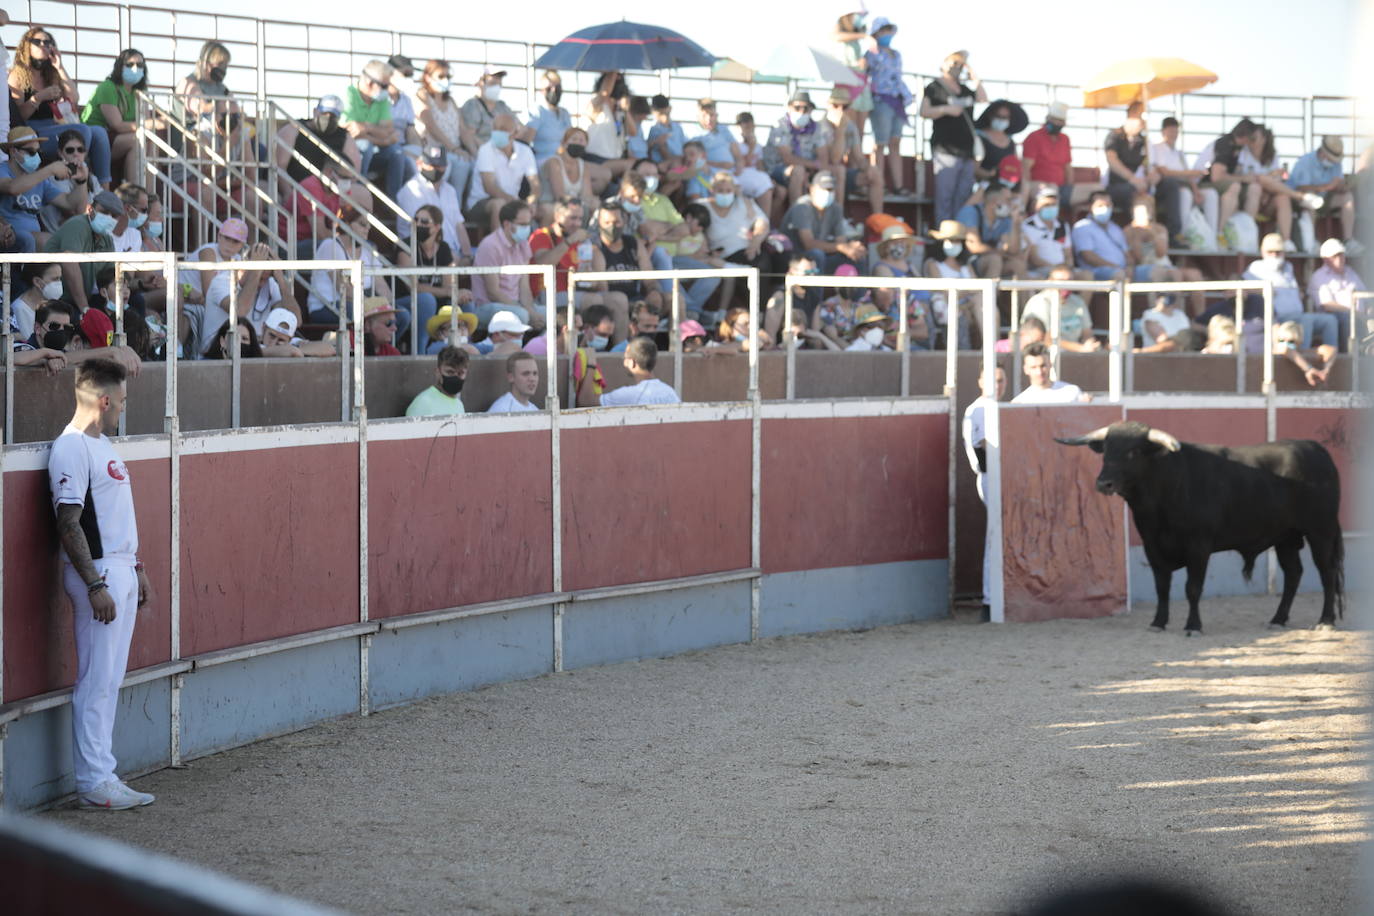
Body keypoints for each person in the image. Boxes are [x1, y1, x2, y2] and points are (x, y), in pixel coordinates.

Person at [49, 358, 157, 810]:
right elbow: (68, 521)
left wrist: (135, 566)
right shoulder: (71, 447)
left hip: (118, 568)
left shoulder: (103, 443)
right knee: (97, 678)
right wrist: (95, 583)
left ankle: (103, 774)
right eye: (122, 403)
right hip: (97, 573)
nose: (123, 411)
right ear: (106, 400)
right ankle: (94, 781)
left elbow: (111, 517)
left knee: (109, 677)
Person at [9, 26, 113, 185]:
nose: (44, 45)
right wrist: (38, 98)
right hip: (32, 132)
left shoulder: (51, 74)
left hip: (55, 127)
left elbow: (74, 97)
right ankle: (76, 179)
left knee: (99, 133)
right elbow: (17, 117)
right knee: (82, 130)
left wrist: (60, 67)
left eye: (48, 42)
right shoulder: (18, 74)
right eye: (38, 42)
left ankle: (104, 192)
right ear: (27, 46)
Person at [529, 196, 628, 337]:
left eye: (580, 219)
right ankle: (584, 347)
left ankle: (619, 349)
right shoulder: (542, 235)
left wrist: (592, 281)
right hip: (546, 294)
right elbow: (543, 263)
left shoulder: (580, 240)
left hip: (575, 291)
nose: (577, 223)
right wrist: (569, 241)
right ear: (557, 216)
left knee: (619, 299)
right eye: (572, 218)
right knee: (593, 300)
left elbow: (586, 276)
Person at [961, 361, 1007, 620]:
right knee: (995, 535)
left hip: (1007, 478)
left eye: (1001, 381)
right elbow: (981, 457)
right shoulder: (976, 411)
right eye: (992, 381)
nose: (997, 386)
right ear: (980, 382)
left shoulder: (1005, 407)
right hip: (991, 477)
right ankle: (989, 600)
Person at [921, 50, 986, 223]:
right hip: (946, 148)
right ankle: (944, 233)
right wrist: (945, 110)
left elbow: (982, 99)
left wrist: (974, 77)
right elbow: (924, 111)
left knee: (964, 195)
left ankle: (960, 231)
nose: (955, 67)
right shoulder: (934, 87)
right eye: (953, 62)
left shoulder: (965, 90)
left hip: (967, 150)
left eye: (960, 64)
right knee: (945, 195)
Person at [1244, 233, 1339, 349]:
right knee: (1306, 320)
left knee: (1330, 320)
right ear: (1263, 252)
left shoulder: (1288, 267)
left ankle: (1332, 354)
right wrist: (1263, 291)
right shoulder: (1256, 268)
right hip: (1278, 318)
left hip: (1298, 313)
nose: (1274, 255)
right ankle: (1303, 354)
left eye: (1278, 252)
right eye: (1270, 252)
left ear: (1284, 252)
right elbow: (1243, 289)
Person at [307, 205, 391, 326]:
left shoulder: (367, 250)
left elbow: (381, 285)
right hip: (328, 306)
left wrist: (387, 304)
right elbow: (344, 288)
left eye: (369, 225)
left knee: (400, 315)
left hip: (359, 303)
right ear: (346, 223)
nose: (367, 228)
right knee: (366, 315)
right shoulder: (331, 246)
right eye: (362, 224)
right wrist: (374, 306)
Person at [43, 190, 124, 313]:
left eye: (114, 215)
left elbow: (108, 278)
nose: (109, 218)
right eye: (105, 212)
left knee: (136, 303)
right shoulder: (78, 225)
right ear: (90, 210)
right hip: (56, 301)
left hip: (79, 301)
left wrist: (139, 285)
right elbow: (69, 262)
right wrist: (85, 310)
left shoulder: (107, 239)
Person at [0, 125, 78, 251]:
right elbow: (11, 188)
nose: (36, 156)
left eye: (38, 152)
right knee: (52, 243)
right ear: (13, 151)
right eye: (31, 152)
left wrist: (82, 182)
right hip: (10, 237)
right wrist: (50, 169)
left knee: (55, 268)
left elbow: (69, 203)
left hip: (35, 243)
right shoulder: (2, 169)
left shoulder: (39, 178)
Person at [1123, 197, 1205, 315]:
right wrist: (1137, 237)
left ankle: (1200, 316)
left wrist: (1152, 233)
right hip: (1145, 267)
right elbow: (1138, 258)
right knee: (1175, 274)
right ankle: (1175, 313)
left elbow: (1161, 253)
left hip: (1164, 264)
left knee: (1195, 275)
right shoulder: (1128, 231)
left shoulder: (1160, 228)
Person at [342, 60, 411, 199]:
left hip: (375, 151)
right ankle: (358, 197)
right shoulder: (349, 93)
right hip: (349, 153)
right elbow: (350, 131)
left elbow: (389, 130)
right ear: (370, 83)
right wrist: (383, 138)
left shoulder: (381, 99)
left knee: (398, 152)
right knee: (364, 146)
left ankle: (394, 203)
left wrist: (366, 128)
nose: (388, 89)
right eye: (385, 85)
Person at [863, 18, 914, 200]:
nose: (887, 34)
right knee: (880, 142)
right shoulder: (871, 54)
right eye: (883, 31)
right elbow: (866, 70)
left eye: (888, 30)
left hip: (897, 101)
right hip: (880, 100)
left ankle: (898, 185)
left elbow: (897, 77)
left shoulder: (896, 54)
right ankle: (879, 183)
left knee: (895, 143)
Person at [275, 95, 362, 201]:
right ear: (315, 111)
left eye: (333, 116)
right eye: (325, 113)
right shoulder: (294, 128)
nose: (328, 118)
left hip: (328, 192)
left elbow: (353, 173)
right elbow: (279, 166)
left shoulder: (344, 137)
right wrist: (288, 194)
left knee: (362, 194)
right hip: (294, 187)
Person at [80, 48, 148, 184]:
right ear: (120, 66)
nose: (135, 68)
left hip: (116, 138)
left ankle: (149, 196)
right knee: (137, 140)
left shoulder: (140, 93)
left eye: (140, 65)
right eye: (130, 64)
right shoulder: (108, 87)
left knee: (151, 144)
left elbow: (141, 121)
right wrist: (154, 124)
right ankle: (134, 192)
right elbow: (117, 125)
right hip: (95, 138)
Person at [466, 112, 539, 236]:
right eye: (495, 128)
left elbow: (535, 184)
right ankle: (498, 251)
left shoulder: (525, 151)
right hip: (480, 203)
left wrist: (532, 201)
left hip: (513, 202)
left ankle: (536, 251)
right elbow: (489, 187)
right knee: (499, 204)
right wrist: (516, 203)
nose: (498, 132)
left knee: (547, 210)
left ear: (515, 133)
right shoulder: (485, 150)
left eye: (503, 129)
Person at [780, 171, 864, 274]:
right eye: (823, 188)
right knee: (817, 255)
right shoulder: (802, 207)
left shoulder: (836, 208)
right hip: (796, 259)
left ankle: (861, 290)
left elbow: (841, 240)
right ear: (812, 188)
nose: (827, 193)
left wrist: (851, 248)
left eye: (830, 189)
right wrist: (841, 247)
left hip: (822, 256)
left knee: (858, 254)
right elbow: (809, 244)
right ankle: (816, 290)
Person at [1288, 135, 1359, 255]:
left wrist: (1343, 186)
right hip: (1302, 200)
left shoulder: (1336, 165)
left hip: (1325, 199)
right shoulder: (1305, 162)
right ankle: (1311, 242)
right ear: (1323, 153)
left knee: (1347, 197)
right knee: (1311, 200)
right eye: (1331, 159)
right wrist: (1326, 186)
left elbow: (1337, 184)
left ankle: (1348, 240)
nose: (1333, 162)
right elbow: (1301, 187)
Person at [763, 91, 834, 211]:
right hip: (777, 169)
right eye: (797, 107)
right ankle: (796, 213)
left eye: (805, 108)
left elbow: (823, 157)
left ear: (811, 110)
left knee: (835, 172)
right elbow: (787, 158)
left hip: (809, 169)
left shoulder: (816, 128)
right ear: (789, 108)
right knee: (798, 171)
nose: (801, 111)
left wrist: (813, 170)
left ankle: (835, 217)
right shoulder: (779, 126)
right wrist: (812, 165)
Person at [397, 145, 472, 257]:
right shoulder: (410, 190)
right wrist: (447, 257)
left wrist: (468, 255)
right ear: (419, 164)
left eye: (439, 165)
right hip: (421, 255)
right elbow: (420, 229)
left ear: (446, 166)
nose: (435, 169)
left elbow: (459, 225)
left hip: (452, 253)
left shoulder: (450, 190)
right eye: (431, 165)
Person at [414, 60, 472, 202]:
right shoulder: (422, 95)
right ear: (428, 77)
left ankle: (455, 207)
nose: (445, 80)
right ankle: (434, 205)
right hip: (431, 149)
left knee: (465, 163)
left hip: (454, 150)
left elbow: (463, 130)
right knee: (446, 164)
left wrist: (476, 153)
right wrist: (453, 148)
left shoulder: (451, 100)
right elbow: (432, 126)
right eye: (440, 76)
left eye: (448, 76)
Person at [471, 199, 535, 325]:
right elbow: (493, 292)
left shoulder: (524, 244)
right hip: (488, 306)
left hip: (517, 305)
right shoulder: (490, 245)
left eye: (528, 224)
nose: (527, 228)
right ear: (506, 224)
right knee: (522, 316)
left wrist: (530, 310)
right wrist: (526, 311)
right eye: (522, 225)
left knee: (550, 315)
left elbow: (524, 287)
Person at [1150, 116, 1208, 246]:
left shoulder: (1180, 154)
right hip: (1165, 187)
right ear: (1163, 131)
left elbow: (1189, 176)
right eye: (1170, 131)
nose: (1173, 134)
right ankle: (1178, 233)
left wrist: (1196, 190)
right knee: (1184, 194)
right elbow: (1164, 171)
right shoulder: (1157, 148)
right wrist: (1190, 173)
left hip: (1183, 185)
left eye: (1175, 131)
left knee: (1206, 195)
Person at [825, 87, 884, 216]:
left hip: (841, 174)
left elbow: (859, 157)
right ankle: (838, 220)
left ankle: (878, 221)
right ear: (828, 105)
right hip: (822, 173)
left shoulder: (850, 127)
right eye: (836, 105)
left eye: (845, 106)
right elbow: (834, 159)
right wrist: (840, 131)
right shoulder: (820, 126)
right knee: (839, 171)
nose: (840, 110)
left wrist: (869, 168)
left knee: (875, 174)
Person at [1197, 118, 1257, 241]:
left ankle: (1246, 231)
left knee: (1255, 188)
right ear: (1246, 136)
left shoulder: (1240, 148)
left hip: (1222, 184)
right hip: (1203, 183)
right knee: (1234, 186)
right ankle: (1220, 232)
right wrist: (1243, 178)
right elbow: (1217, 176)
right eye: (1253, 138)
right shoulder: (1225, 144)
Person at [924, 220, 981, 349]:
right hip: (949, 305)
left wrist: (967, 300)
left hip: (971, 306)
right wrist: (966, 298)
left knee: (983, 302)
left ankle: (990, 345)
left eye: (957, 241)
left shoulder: (966, 264)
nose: (954, 244)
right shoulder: (933, 264)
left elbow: (978, 287)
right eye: (950, 240)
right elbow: (943, 292)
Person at [1021, 264, 1101, 352]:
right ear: (1050, 281)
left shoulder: (1077, 301)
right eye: (1061, 280)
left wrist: (1090, 344)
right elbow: (1046, 339)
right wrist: (1080, 348)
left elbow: (1087, 333)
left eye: (1069, 280)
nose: (1065, 284)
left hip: (1076, 352)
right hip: (1046, 353)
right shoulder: (1039, 302)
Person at [955, 182, 1023, 279]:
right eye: (1008, 200)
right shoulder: (970, 212)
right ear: (993, 203)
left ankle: (1024, 294)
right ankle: (989, 294)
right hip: (967, 262)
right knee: (994, 260)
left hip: (991, 258)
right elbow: (974, 247)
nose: (1010, 204)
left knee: (1017, 264)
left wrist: (1015, 223)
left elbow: (1013, 250)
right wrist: (1000, 253)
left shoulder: (1005, 220)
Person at [1307, 238, 1365, 349]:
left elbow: (1364, 293)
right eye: (1335, 256)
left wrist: (1369, 308)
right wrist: (1354, 312)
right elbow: (1327, 305)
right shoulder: (1319, 277)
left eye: (1341, 255)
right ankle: (1350, 356)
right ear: (1325, 259)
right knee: (1347, 321)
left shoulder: (1351, 272)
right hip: (1339, 316)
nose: (1340, 259)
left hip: (1360, 315)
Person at [1102, 102, 1157, 221]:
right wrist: (1133, 179)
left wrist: (1152, 176)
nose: (1143, 122)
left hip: (1139, 186)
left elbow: (1148, 166)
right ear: (1132, 115)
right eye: (1141, 116)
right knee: (1133, 192)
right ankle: (1139, 227)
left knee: (1167, 187)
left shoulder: (1144, 142)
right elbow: (1112, 160)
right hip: (1116, 186)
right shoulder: (1114, 136)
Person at [539, 127, 602, 221]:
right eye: (574, 139)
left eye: (581, 140)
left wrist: (592, 202)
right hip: (552, 203)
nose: (577, 143)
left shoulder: (583, 166)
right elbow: (559, 195)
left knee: (596, 204)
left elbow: (587, 195)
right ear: (564, 143)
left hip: (575, 203)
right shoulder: (554, 162)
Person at [1022, 186, 1083, 280]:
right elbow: (1033, 258)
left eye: (1054, 204)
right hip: (1041, 269)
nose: (1050, 207)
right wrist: (1056, 269)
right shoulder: (1028, 225)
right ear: (1036, 206)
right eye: (1046, 205)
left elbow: (1068, 254)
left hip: (1064, 270)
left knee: (1086, 275)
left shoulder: (1063, 225)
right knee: (1060, 276)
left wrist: (1067, 267)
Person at [598, 337, 680, 405]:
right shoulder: (670, 392)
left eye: (625, 358)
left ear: (632, 362)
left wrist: (590, 365)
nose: (624, 362)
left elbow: (591, 402)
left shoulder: (630, 394)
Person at [1020, 102, 1073, 208]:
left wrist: (1069, 187)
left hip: (1062, 187)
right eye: (1055, 119)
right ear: (1048, 118)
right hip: (1039, 186)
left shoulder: (1065, 139)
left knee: (1097, 191)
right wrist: (1026, 192)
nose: (1058, 123)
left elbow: (1068, 168)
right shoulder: (1034, 137)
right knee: (1051, 190)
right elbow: (1025, 169)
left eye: (1061, 120)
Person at [833, 10, 874, 141]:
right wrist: (861, 36)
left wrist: (864, 64)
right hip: (847, 83)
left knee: (859, 130)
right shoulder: (840, 30)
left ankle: (857, 157)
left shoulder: (858, 38)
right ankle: (850, 159)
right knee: (849, 128)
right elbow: (836, 36)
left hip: (861, 82)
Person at [1070, 191, 1128, 281]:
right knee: (1119, 275)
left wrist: (1130, 266)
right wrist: (1115, 267)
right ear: (1090, 207)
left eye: (1108, 205)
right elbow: (1088, 256)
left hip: (1123, 269)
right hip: (1097, 271)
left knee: (1156, 270)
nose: (1105, 209)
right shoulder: (1082, 227)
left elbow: (1126, 252)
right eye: (1100, 206)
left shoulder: (1115, 228)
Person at [460, 65, 517, 157]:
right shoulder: (473, 105)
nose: (497, 87)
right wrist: (488, 152)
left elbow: (517, 129)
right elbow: (469, 136)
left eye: (499, 84)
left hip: (503, 154)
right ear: (480, 84)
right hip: (482, 155)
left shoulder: (502, 107)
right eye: (493, 83)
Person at [730, 111, 775, 217]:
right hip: (740, 176)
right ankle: (765, 220)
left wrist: (769, 178)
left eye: (751, 126)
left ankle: (770, 221)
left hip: (756, 175)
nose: (749, 130)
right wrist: (751, 148)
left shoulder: (758, 146)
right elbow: (742, 165)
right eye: (745, 127)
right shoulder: (735, 144)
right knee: (765, 186)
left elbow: (759, 166)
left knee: (780, 191)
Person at [404, 345, 470, 417]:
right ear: (438, 372)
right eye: (450, 372)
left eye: (460, 373)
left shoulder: (459, 405)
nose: (455, 377)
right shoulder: (423, 403)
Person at [1011, 340, 1086, 403]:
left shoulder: (1072, 392)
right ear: (1026, 369)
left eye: (1043, 366)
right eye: (1033, 367)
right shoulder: (1020, 402)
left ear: (1050, 364)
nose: (1039, 372)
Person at [525, 69, 572, 168]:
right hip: (544, 162)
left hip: (565, 159)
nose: (554, 90)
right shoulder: (536, 111)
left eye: (557, 87)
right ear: (542, 91)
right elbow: (526, 141)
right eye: (549, 88)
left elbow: (570, 139)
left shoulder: (565, 113)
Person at [1273, 320, 1335, 388]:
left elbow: (1330, 350)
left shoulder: (1300, 352)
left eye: (1291, 341)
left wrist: (1326, 370)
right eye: (1281, 340)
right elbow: (1285, 350)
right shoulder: (1274, 351)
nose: (1285, 343)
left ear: (1299, 342)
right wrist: (1309, 369)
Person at [12, 260, 63, 340]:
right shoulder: (19, 309)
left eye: (60, 278)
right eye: (55, 279)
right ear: (37, 282)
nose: (59, 283)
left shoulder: (53, 304)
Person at [259, 307, 334, 357]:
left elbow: (329, 348)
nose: (273, 343)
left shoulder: (294, 343)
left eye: (281, 340)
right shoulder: (253, 343)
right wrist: (292, 350)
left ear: (290, 339)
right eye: (272, 336)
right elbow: (293, 352)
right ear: (264, 328)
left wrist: (298, 348)